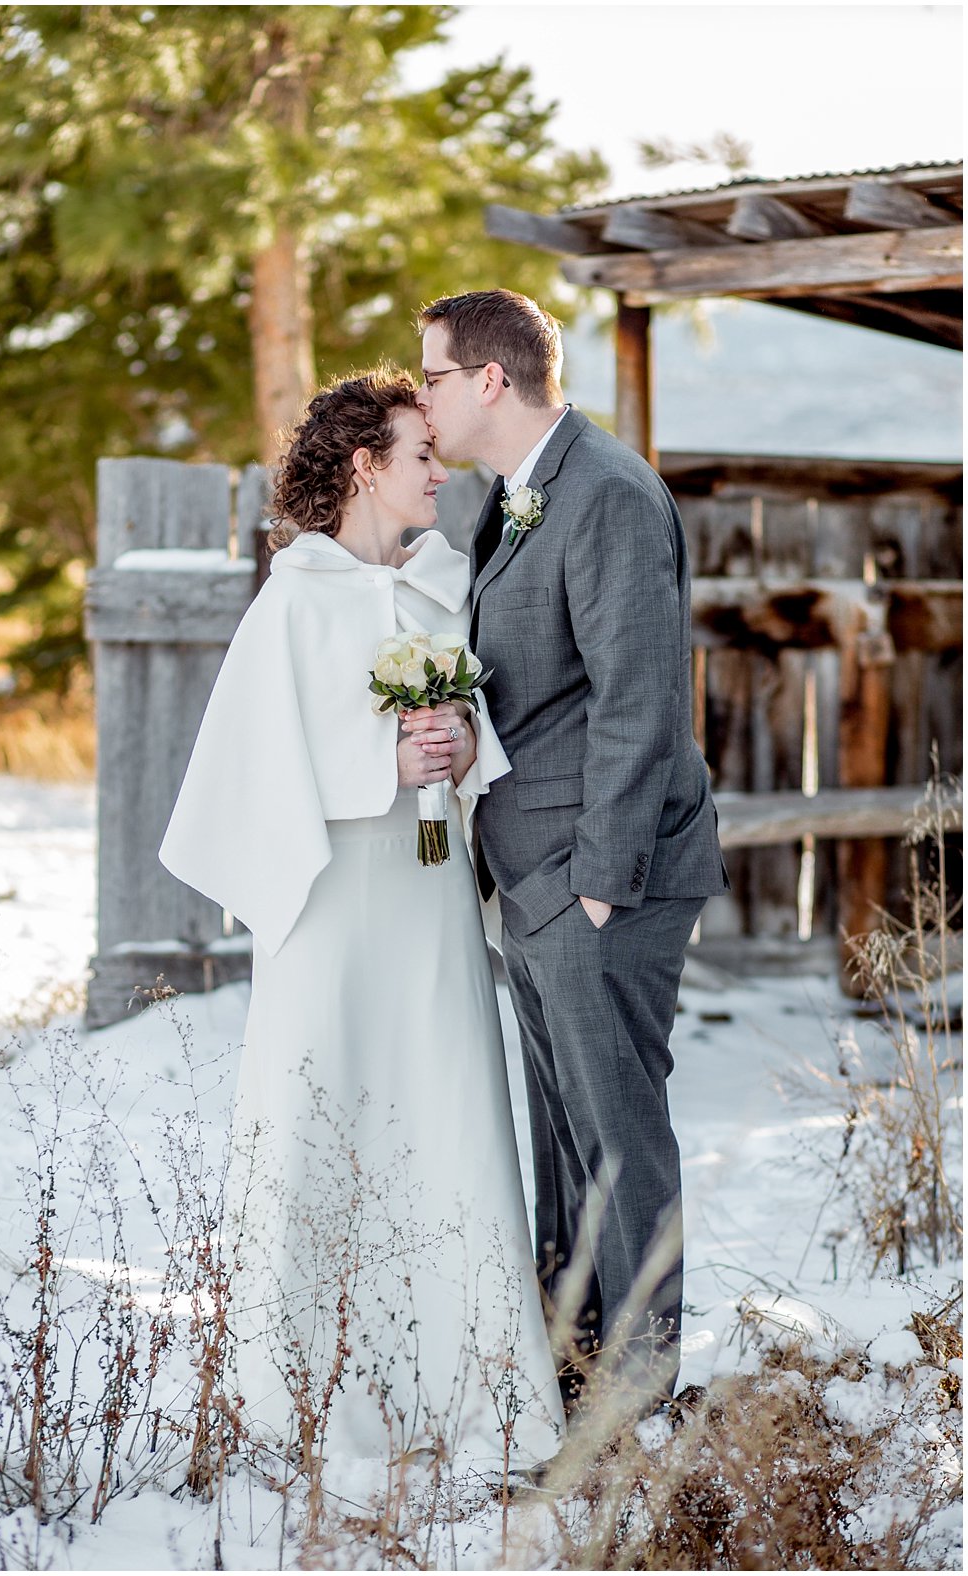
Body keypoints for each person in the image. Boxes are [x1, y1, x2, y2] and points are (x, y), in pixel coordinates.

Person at [158, 368, 564, 1469]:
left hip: (428, 898)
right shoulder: (293, 599)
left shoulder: (448, 581)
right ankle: (315, 1397)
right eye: (420, 455)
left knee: (446, 1112)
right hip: (329, 902)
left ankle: (475, 1393)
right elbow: (243, 772)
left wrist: (464, 749)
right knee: (331, 1116)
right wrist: (376, 761)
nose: (443, 473)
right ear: (365, 468)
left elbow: (479, 732)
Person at [413, 290, 729, 1408]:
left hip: (603, 880)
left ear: (490, 380)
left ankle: (640, 1399)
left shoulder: (604, 492)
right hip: (535, 878)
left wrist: (598, 884)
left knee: (617, 1140)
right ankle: (574, 1376)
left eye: (434, 377)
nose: (424, 396)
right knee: (563, 1144)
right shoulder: (517, 494)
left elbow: (640, 702)